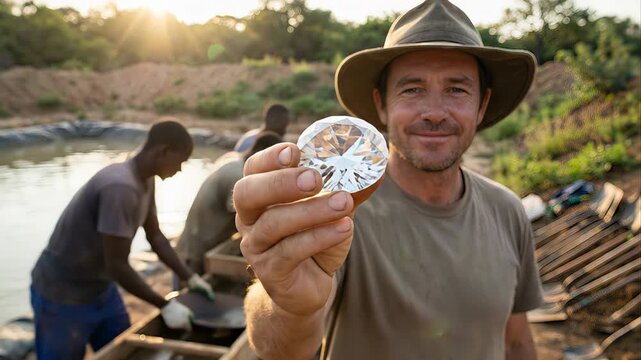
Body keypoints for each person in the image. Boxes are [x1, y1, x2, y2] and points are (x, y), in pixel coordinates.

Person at [233, 1, 543, 359]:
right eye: (412, 89)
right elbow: (281, 348)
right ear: (381, 105)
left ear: (482, 105)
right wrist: (288, 303)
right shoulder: (337, 211)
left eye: (457, 89)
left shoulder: (507, 211)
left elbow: (517, 340)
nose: (434, 113)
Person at [30, 120, 215, 360]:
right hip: (62, 295)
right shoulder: (120, 187)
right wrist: (165, 305)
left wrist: (189, 277)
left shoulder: (146, 180)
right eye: (180, 161)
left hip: (101, 289)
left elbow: (156, 237)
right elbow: (116, 265)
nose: (179, 170)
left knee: (125, 352)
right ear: (163, 151)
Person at [175, 131, 284, 276]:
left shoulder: (235, 162)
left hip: (205, 245)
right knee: (192, 291)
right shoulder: (239, 176)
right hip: (194, 251)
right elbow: (247, 220)